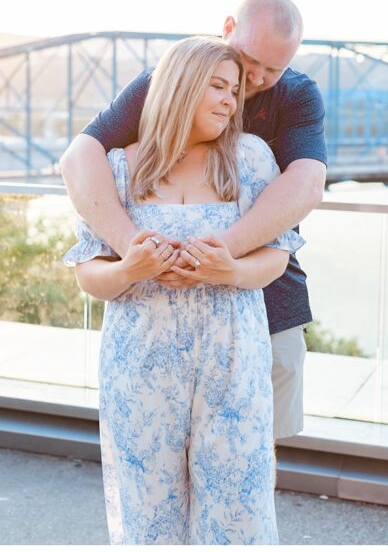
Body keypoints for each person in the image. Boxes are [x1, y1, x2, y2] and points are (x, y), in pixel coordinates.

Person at [60, 0, 326, 454]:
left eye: (274, 69)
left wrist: (222, 250)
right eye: (251, 62)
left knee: (260, 431)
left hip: (268, 282)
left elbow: (307, 183)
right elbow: (80, 155)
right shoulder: (166, 82)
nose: (257, 79)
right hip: (160, 301)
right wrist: (129, 245)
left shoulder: (297, 94)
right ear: (228, 28)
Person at [64, 37, 302, 543]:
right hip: (140, 366)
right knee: (146, 514)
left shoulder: (252, 159)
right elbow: (89, 275)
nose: (230, 102)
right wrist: (131, 267)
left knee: (238, 511)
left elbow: (276, 258)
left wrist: (228, 271)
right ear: (179, 86)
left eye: (234, 91)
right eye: (217, 87)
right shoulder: (119, 169)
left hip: (233, 361)